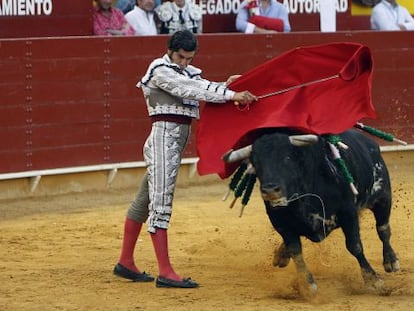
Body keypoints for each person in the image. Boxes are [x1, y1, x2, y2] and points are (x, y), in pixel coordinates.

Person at [113, 30, 257, 288]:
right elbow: (192, 88)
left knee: (145, 200)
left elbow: (199, 85)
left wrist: (227, 86)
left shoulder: (186, 72)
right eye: (180, 57)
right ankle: (165, 272)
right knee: (161, 201)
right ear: (170, 50)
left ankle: (125, 262)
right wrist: (228, 93)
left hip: (173, 141)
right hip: (163, 139)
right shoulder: (159, 69)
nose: (184, 63)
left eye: (189, 59)